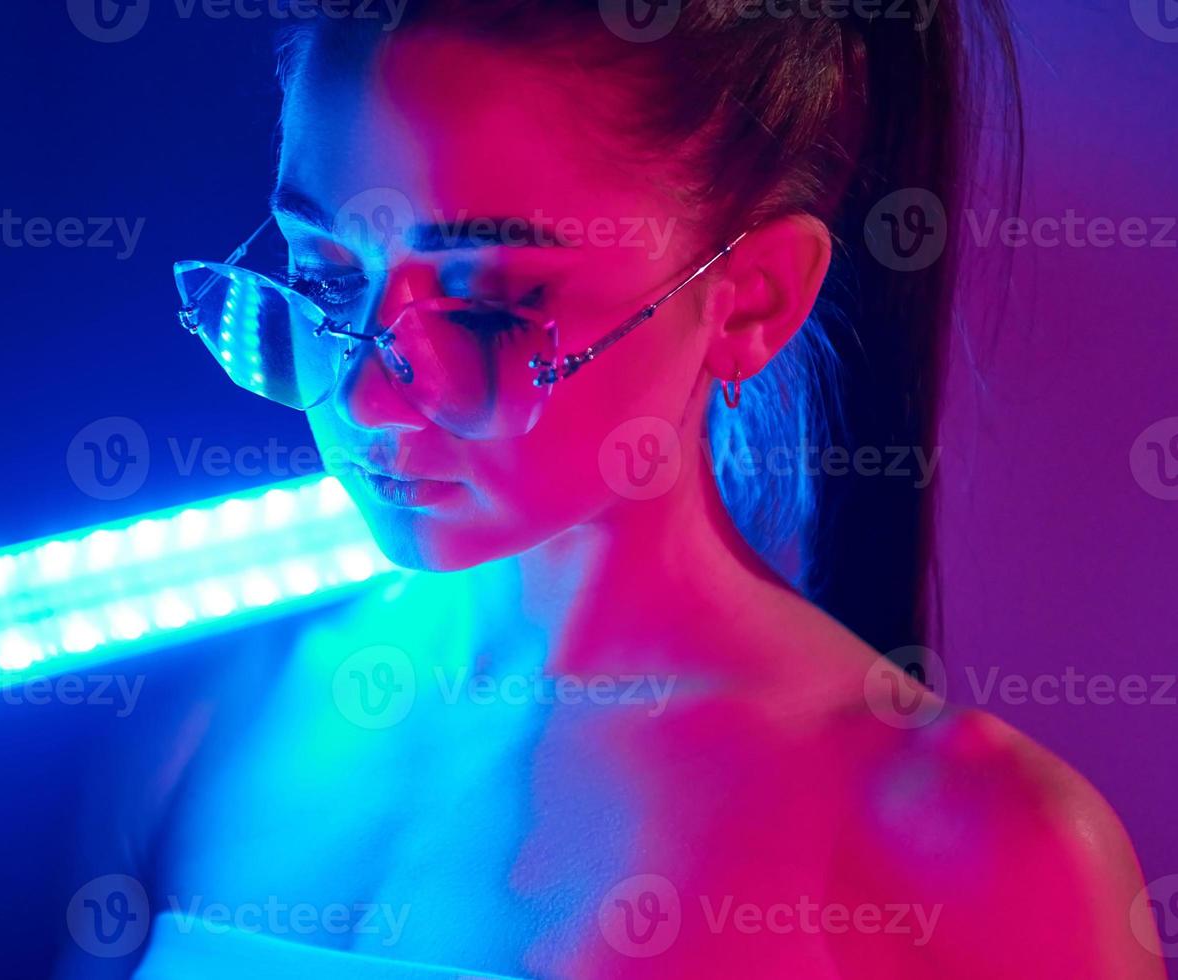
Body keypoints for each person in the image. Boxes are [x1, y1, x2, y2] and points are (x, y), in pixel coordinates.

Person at [136, 2, 1164, 976]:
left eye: (490, 302)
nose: (361, 396)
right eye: (319, 273)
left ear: (750, 301)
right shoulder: (215, 713)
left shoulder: (980, 851)